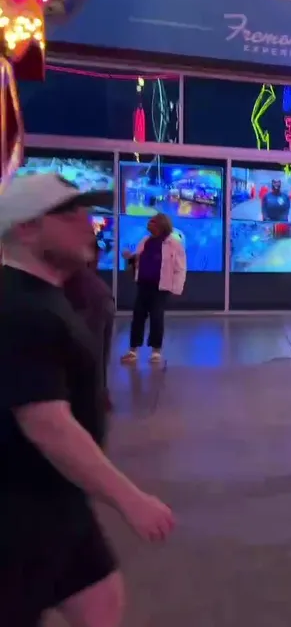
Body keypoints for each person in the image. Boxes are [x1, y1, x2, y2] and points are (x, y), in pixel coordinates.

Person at [0, 173, 175, 627]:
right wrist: (130, 499)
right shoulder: (21, 310)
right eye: (68, 213)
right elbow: (47, 426)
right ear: (26, 228)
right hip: (18, 513)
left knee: (100, 599)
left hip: (57, 498)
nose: (87, 222)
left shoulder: (47, 297)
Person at [120, 213, 187, 364]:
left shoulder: (174, 244)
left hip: (160, 287)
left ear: (161, 225)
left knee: (156, 318)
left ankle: (156, 351)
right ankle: (133, 350)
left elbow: (180, 267)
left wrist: (176, 287)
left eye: (152, 222)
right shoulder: (145, 241)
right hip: (143, 284)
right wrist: (130, 258)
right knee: (138, 317)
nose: (149, 224)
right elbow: (138, 259)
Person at [62, 247, 115, 419]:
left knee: (90, 355)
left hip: (87, 302)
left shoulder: (86, 290)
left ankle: (94, 398)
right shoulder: (94, 289)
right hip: (93, 299)